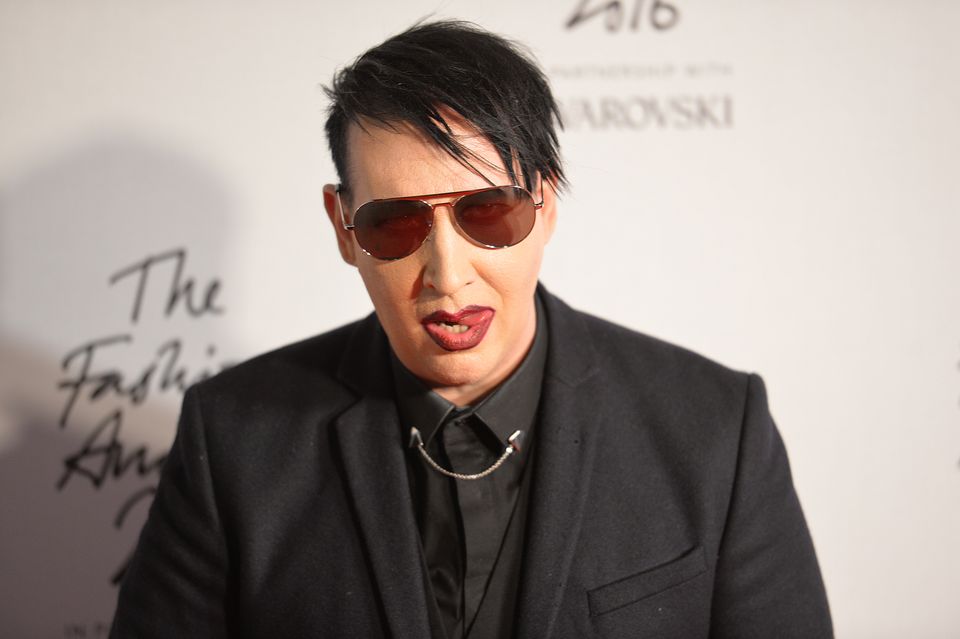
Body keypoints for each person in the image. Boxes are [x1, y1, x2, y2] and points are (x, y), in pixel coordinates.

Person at [111, 20, 833, 639]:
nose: (447, 275)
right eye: (395, 223)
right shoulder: (232, 437)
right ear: (343, 226)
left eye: (489, 212)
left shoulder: (713, 429)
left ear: (545, 207)